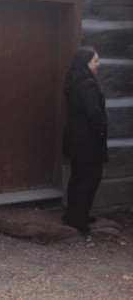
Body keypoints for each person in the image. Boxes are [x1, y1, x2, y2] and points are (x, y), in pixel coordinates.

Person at [62, 46, 108, 233]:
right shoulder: (88, 83)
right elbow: (93, 113)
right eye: (95, 60)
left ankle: (72, 214)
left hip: (74, 136)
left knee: (78, 175)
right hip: (87, 138)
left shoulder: (72, 80)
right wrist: (102, 130)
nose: (98, 64)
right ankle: (78, 218)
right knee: (91, 177)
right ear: (86, 63)